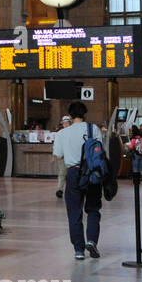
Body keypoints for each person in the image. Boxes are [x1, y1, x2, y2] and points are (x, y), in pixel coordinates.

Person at [52, 100, 103, 260]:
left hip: (73, 173)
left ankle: (79, 250)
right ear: (84, 113)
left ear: (71, 115)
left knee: (74, 212)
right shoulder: (93, 129)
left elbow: (58, 155)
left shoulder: (62, 133)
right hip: (92, 173)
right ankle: (92, 241)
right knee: (93, 209)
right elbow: (100, 150)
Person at [54, 114, 71, 199]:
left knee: (71, 174)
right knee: (62, 173)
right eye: (64, 123)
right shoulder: (59, 133)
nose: (65, 124)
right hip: (62, 156)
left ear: (70, 123)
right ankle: (60, 189)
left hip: (72, 157)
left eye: (67, 123)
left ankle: (71, 189)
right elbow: (56, 145)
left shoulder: (73, 132)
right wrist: (57, 154)